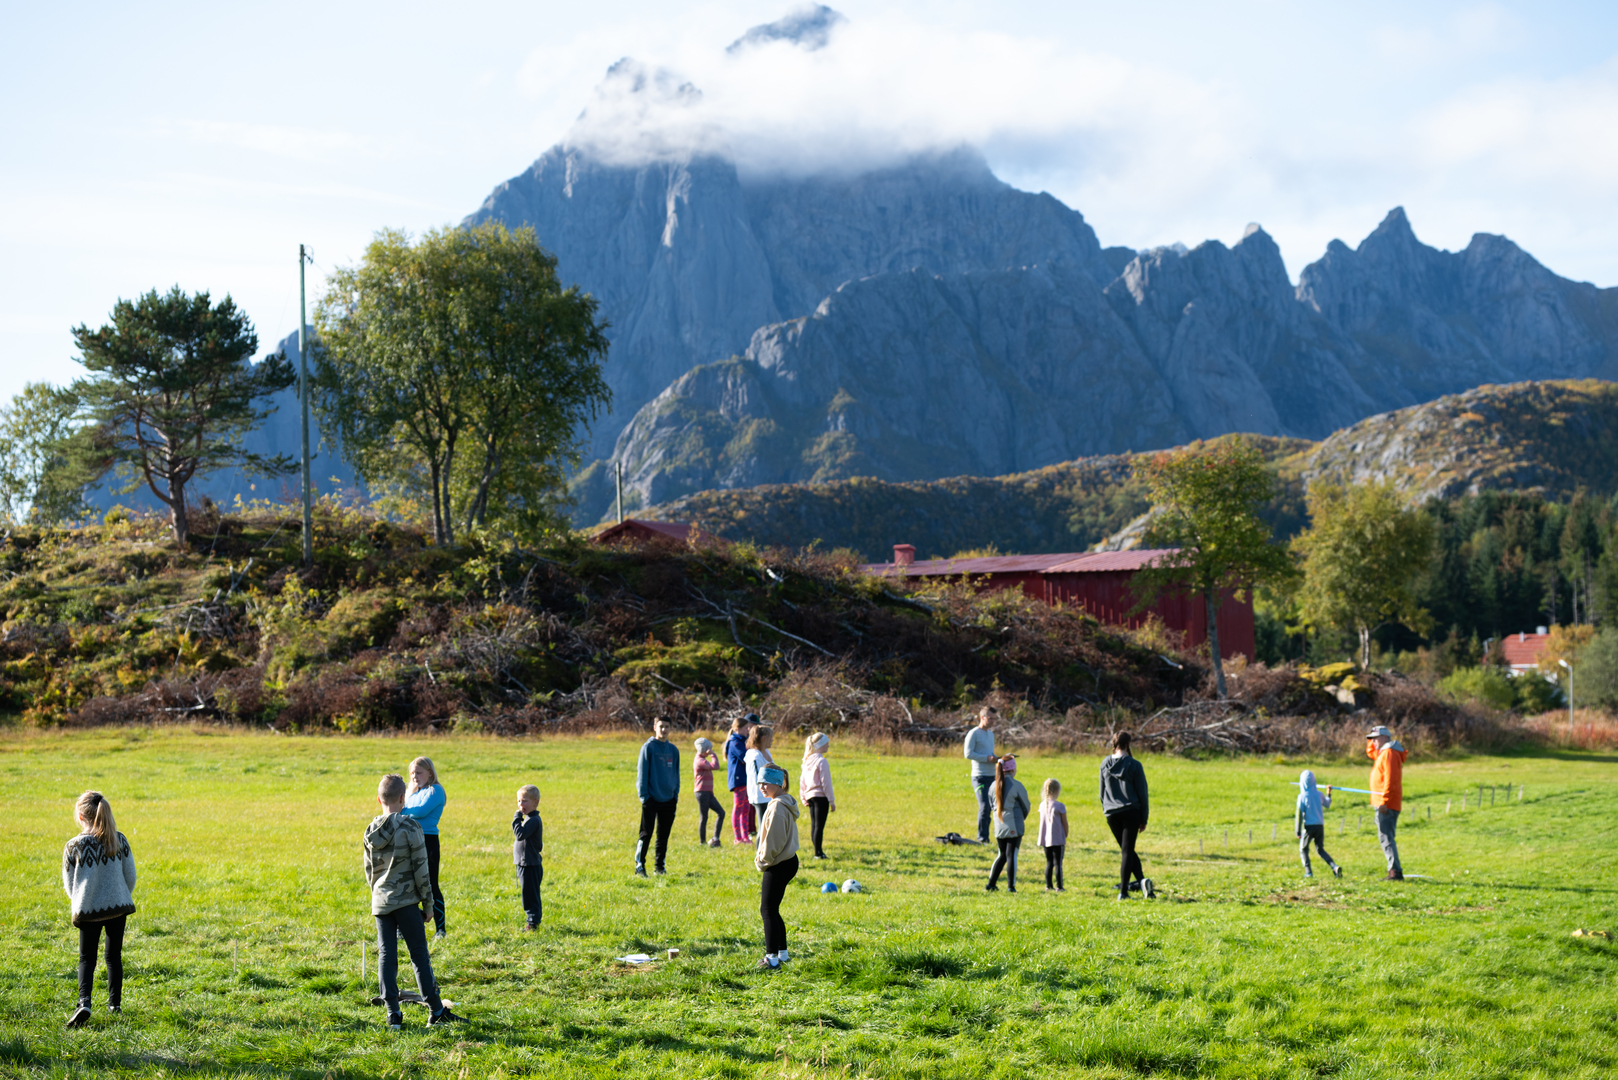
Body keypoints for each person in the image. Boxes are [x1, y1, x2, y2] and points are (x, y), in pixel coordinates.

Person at [365, 773, 463, 1030]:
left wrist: (379, 897)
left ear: (379, 799)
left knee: (386, 956)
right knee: (419, 955)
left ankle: (393, 1014)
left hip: (381, 903)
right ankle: (436, 1010)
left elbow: (369, 872)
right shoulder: (411, 827)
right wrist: (429, 905)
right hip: (407, 902)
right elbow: (423, 870)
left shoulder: (370, 830)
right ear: (403, 797)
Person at [62, 791, 137, 1029]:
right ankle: (115, 1005)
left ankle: (84, 1002)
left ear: (81, 816)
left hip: (88, 910)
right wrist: (119, 895)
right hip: (118, 908)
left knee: (87, 958)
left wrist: (82, 902)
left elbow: (69, 885)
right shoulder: (119, 839)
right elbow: (130, 876)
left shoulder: (73, 846)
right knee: (114, 956)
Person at [754, 764, 800, 971]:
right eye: (759, 782)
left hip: (778, 862)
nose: (762, 786)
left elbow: (774, 840)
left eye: (766, 782)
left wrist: (762, 860)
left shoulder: (777, 807)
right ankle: (783, 953)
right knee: (774, 909)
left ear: (778, 782)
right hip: (788, 860)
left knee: (768, 910)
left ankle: (771, 959)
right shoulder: (783, 802)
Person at [1099, 732, 1154, 900]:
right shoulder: (1135, 765)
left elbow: (1102, 793)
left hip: (1111, 813)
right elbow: (1142, 794)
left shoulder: (1104, 764)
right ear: (1128, 744)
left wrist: (1107, 809)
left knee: (1127, 851)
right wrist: (1144, 818)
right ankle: (1123, 892)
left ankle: (1143, 883)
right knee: (1127, 852)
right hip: (1131, 811)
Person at [398, 756, 447, 939]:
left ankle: (440, 929)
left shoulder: (436, 790)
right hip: (410, 840)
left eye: (418, 772)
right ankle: (406, 927)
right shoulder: (414, 792)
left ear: (430, 772)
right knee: (409, 884)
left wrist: (401, 809)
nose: (414, 776)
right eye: (412, 773)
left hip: (428, 841)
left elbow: (419, 811)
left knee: (431, 885)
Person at [635, 717, 681, 877]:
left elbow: (676, 773)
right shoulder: (648, 748)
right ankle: (640, 866)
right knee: (646, 833)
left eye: (667, 726)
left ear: (670, 728)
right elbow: (642, 774)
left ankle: (659, 867)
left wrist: (675, 794)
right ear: (655, 727)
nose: (664, 729)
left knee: (663, 835)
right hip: (651, 799)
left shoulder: (673, 750)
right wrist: (644, 796)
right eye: (661, 726)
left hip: (669, 799)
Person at [1366, 723, 1407, 881]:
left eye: (1375, 738)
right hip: (1384, 802)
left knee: (1386, 837)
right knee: (1385, 837)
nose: (1373, 742)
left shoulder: (1389, 753)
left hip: (1386, 804)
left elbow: (1391, 780)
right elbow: (1370, 751)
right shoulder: (1383, 752)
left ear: (1385, 738)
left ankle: (1395, 872)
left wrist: (1384, 801)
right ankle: (1394, 870)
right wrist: (1371, 735)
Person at [986, 756, 1030, 892]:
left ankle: (991, 884)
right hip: (1014, 826)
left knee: (1002, 854)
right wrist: (1021, 818)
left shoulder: (993, 785)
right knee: (1012, 855)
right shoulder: (1017, 785)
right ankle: (1011, 887)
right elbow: (1026, 806)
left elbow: (991, 805)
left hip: (999, 826)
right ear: (1013, 769)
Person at [1294, 769, 1342, 879]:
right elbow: (1327, 804)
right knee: (1320, 849)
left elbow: (1299, 815)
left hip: (1309, 827)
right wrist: (1328, 793)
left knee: (1303, 849)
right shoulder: (1319, 794)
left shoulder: (1302, 797)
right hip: (1320, 826)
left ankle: (1308, 872)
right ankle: (1334, 866)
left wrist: (1297, 831)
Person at [963, 706, 999, 844]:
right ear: (982, 717)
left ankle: (997, 836)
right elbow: (968, 754)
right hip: (979, 777)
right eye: (990, 718)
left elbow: (989, 752)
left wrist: (998, 759)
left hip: (993, 776)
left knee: (995, 807)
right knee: (985, 807)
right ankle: (982, 838)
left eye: (994, 719)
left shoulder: (991, 734)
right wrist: (987, 759)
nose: (992, 721)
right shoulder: (973, 734)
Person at [799, 732, 835, 860]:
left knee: (814, 825)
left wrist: (803, 797)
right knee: (819, 826)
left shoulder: (807, 760)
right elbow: (826, 783)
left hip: (810, 797)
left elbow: (802, 781)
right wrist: (831, 800)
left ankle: (817, 851)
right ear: (821, 745)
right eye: (827, 743)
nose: (828, 746)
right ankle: (818, 853)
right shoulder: (822, 761)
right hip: (820, 797)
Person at [513, 784, 544, 931]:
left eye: (524, 801)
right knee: (528, 893)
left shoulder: (533, 820)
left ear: (535, 802)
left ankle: (533, 923)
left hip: (530, 865)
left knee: (530, 895)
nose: (521, 804)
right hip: (524, 863)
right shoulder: (529, 819)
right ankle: (532, 921)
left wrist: (516, 818)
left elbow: (520, 835)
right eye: (519, 801)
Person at [726, 714, 756, 845]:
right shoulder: (735, 742)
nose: (747, 731)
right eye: (745, 728)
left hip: (746, 779)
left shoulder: (742, 741)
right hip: (739, 780)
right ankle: (738, 838)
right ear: (737, 729)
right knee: (738, 808)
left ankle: (745, 836)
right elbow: (745, 758)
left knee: (746, 809)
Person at [693, 737, 726, 847]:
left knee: (721, 813)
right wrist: (713, 754)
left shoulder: (702, 760)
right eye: (709, 749)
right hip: (702, 793)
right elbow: (716, 766)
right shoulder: (699, 761)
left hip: (707, 792)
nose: (710, 750)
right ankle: (702, 842)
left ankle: (715, 838)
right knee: (704, 817)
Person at [1037, 778, 1068, 892]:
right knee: (1058, 863)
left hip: (1046, 839)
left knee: (1049, 863)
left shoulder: (1042, 805)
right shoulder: (1059, 806)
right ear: (1056, 791)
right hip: (1057, 838)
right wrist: (1066, 833)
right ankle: (1059, 886)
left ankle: (1048, 885)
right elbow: (1065, 822)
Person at [745, 725, 776, 834]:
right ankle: (760, 851)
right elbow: (759, 778)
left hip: (769, 795)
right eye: (770, 737)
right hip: (760, 796)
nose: (772, 740)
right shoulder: (754, 756)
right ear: (763, 738)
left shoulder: (766, 752)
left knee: (769, 827)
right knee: (763, 828)